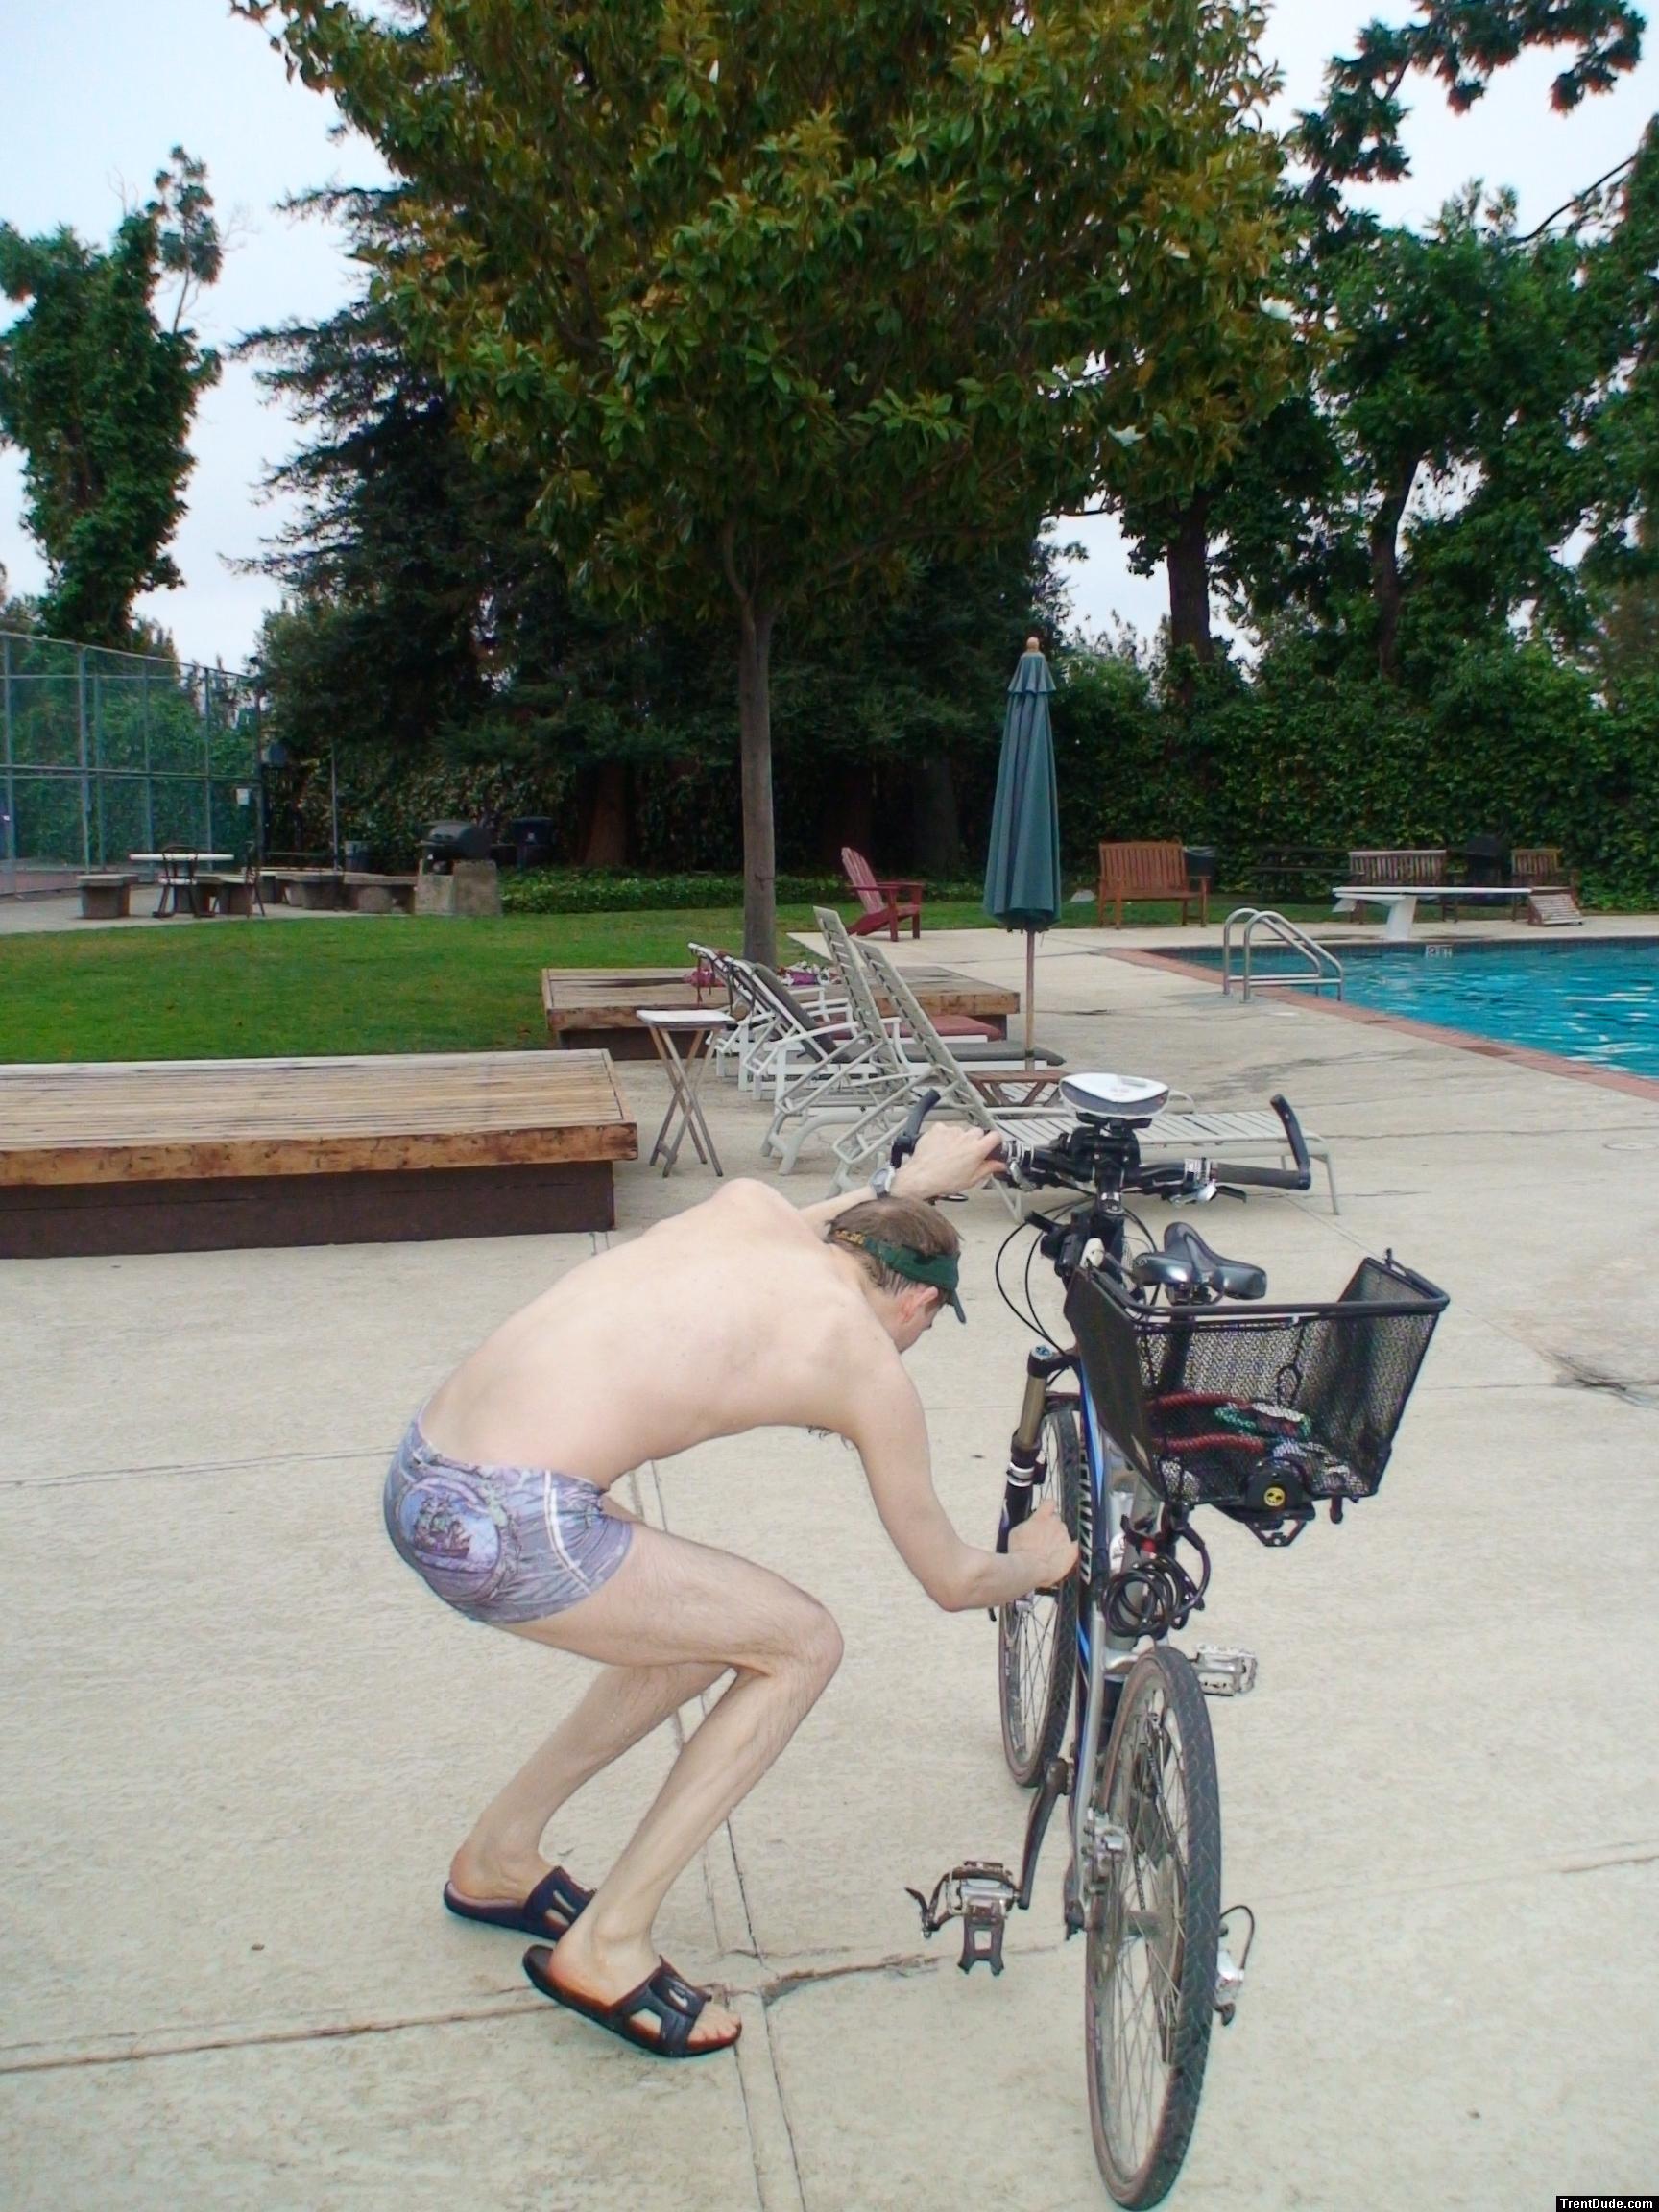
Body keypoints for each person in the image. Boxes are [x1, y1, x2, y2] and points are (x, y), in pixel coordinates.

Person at [383, 1123, 1079, 2058]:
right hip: (511, 1524)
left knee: (710, 1633)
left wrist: (913, 1183)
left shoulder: (750, 1213)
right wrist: (1034, 1563)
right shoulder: (862, 1359)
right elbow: (953, 1579)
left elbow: (847, 1221)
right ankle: (608, 1944)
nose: (913, 1341)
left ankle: (499, 1859)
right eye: (923, 1324)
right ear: (916, 1303)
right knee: (802, 1644)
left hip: (422, 1470)